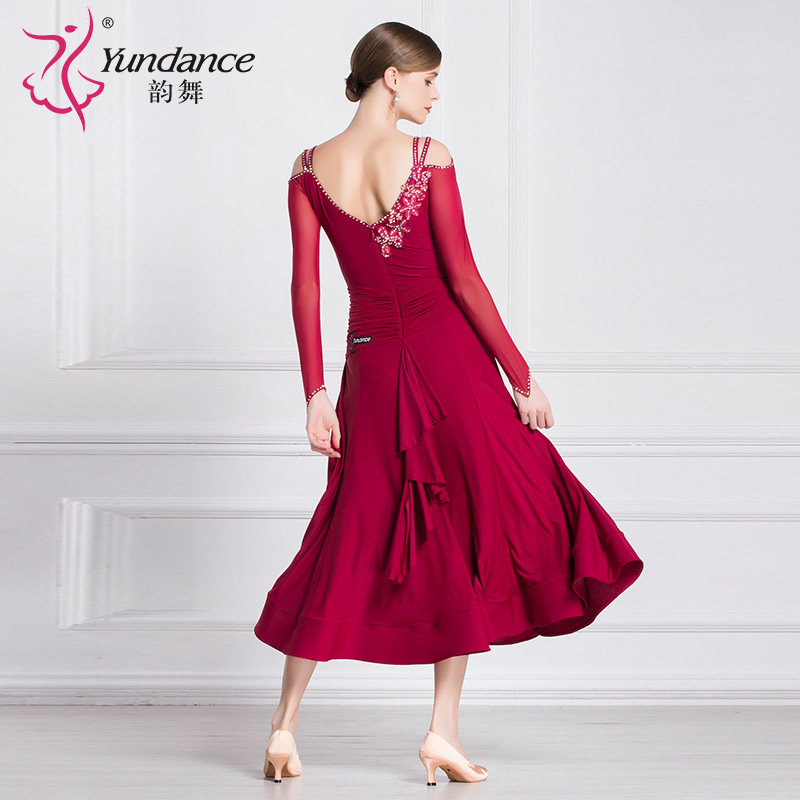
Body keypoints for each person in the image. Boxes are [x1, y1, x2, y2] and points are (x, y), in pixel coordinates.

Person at [254, 21, 644, 785]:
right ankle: (440, 732)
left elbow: (306, 286)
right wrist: (521, 376)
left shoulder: (307, 168)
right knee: (469, 523)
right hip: (452, 367)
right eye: (428, 79)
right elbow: (463, 278)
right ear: (392, 78)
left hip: (370, 369)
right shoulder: (429, 158)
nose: (436, 94)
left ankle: (283, 728)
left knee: (348, 529)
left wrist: (315, 394)